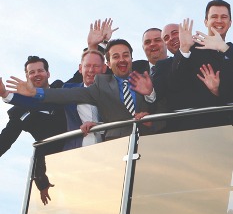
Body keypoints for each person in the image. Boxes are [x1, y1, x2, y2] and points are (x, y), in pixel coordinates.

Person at [5, 42, 157, 142]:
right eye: (115, 56)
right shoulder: (100, 86)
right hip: (114, 148)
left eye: (126, 55)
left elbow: (163, 106)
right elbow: (65, 95)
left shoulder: (147, 78)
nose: (121, 60)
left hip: (150, 142)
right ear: (109, 64)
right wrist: (35, 92)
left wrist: (150, 94)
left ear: (132, 58)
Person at [0, 56, 67, 204]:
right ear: (27, 77)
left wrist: (96, 46)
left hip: (81, 149)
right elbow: (4, 140)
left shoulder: (61, 88)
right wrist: (42, 182)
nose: (36, 74)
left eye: (40, 70)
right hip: (55, 167)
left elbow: (84, 75)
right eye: (32, 72)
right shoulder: (19, 111)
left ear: (48, 73)